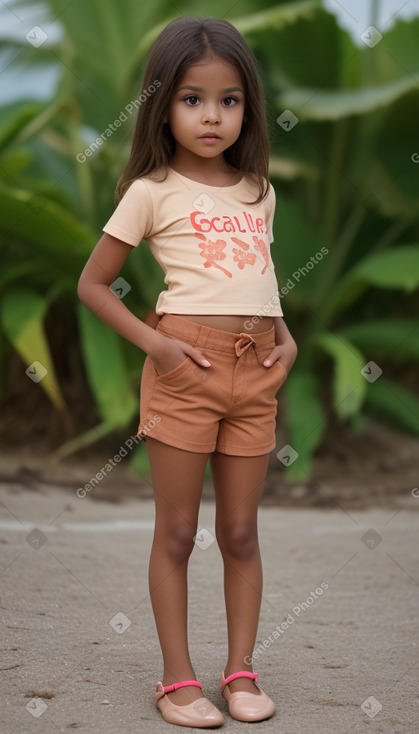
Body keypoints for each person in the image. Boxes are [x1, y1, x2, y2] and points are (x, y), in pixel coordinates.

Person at [78, 16, 297, 728]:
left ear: (247, 108)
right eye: (193, 99)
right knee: (176, 533)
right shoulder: (151, 190)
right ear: (161, 103)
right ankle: (176, 679)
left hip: (254, 372)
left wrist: (285, 340)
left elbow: (258, 278)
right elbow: (93, 285)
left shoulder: (257, 190)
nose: (212, 115)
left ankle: (239, 671)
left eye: (229, 100)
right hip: (185, 369)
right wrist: (159, 346)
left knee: (240, 531)